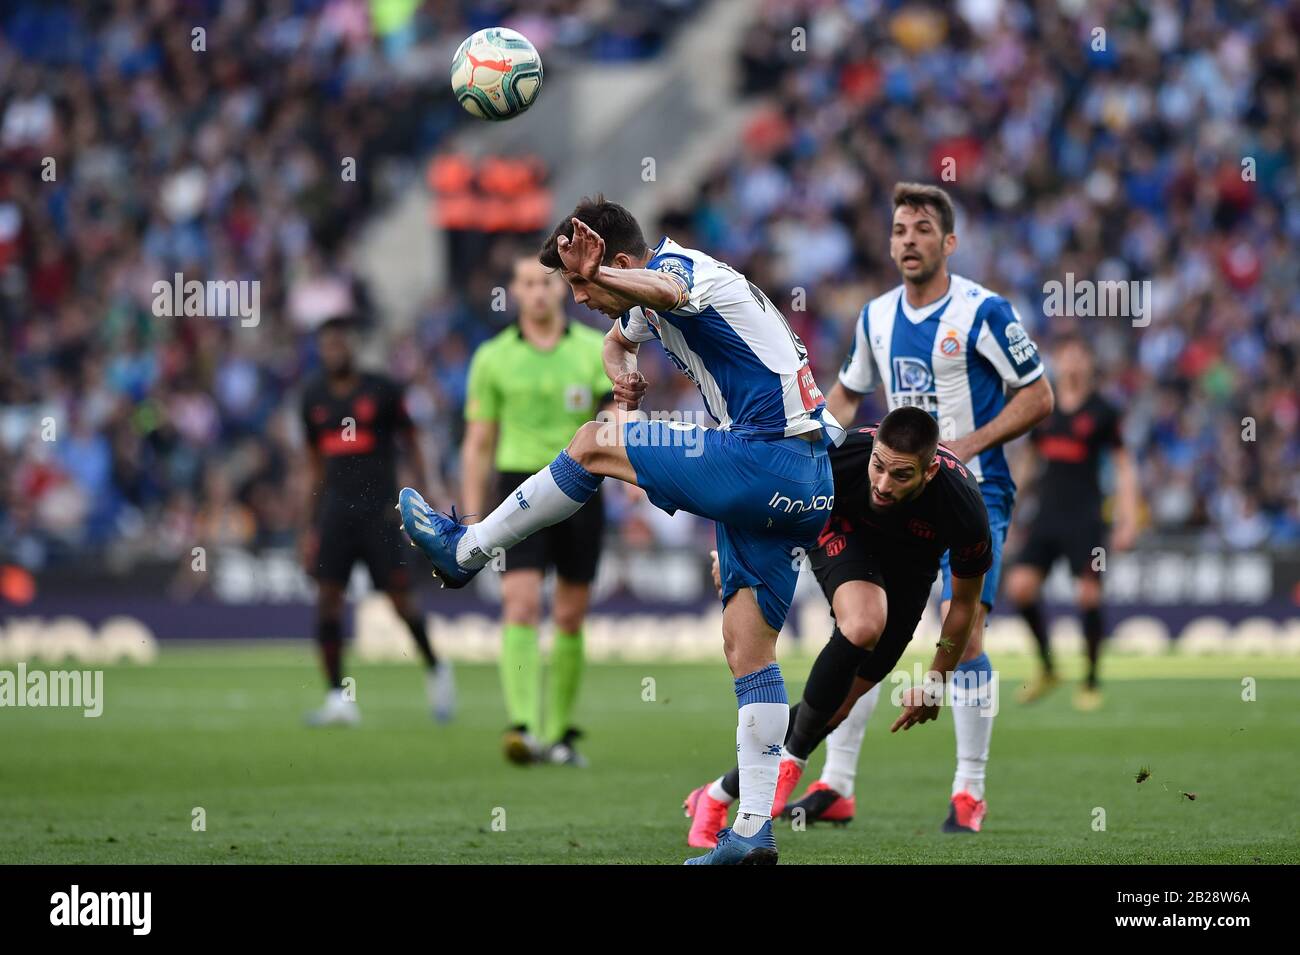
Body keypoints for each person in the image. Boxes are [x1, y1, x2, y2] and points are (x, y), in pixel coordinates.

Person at [398, 195, 836, 864]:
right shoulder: (642, 299)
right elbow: (623, 330)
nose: (577, 296)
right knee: (748, 649)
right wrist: (621, 365)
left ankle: (467, 547)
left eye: (582, 280)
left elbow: (664, 287)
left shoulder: (686, 269)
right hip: (803, 479)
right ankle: (752, 831)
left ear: (620, 261)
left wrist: (605, 282)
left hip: (768, 453)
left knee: (594, 441)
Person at [797, 182, 1054, 833]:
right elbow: (849, 396)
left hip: (976, 494)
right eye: (899, 229)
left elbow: (1040, 396)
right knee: (865, 626)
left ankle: (968, 790)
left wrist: (966, 445)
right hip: (896, 493)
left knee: (961, 632)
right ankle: (836, 784)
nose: (907, 240)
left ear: (948, 242)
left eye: (921, 229)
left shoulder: (984, 311)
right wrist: (807, 448)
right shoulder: (876, 316)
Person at [685, 408, 990, 848]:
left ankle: (713, 796)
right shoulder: (842, 454)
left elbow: (963, 606)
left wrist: (936, 680)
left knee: (834, 708)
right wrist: (728, 555)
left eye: (901, 476)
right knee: (864, 623)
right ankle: (789, 762)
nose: (883, 485)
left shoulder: (964, 509)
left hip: (909, 573)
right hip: (841, 530)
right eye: (879, 468)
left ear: (930, 471)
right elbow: (758, 487)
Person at [462, 254, 612, 765]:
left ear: (562, 288)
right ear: (515, 292)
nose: (540, 291)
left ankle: (558, 735)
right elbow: (479, 442)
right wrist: (472, 513)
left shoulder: (595, 350)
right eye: (528, 282)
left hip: (581, 488)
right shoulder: (492, 357)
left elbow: (616, 411)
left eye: (548, 281)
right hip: (517, 488)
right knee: (521, 605)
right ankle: (523, 727)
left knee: (570, 615)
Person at [299, 317, 454, 726]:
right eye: (327, 345)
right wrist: (308, 526)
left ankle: (436, 668)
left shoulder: (381, 390)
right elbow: (314, 465)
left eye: (340, 344)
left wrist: (426, 491)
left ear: (351, 346)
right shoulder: (312, 397)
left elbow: (413, 440)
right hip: (334, 512)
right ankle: (337, 698)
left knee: (400, 601)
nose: (334, 352)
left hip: (379, 513)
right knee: (328, 599)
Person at [1006, 335, 1139, 711]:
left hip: (1086, 517)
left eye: (1081, 355)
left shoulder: (1103, 411)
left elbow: (1124, 466)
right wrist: (1010, 508)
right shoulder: (1043, 408)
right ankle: (1048, 668)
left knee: (1088, 595)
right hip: (1047, 514)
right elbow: (1030, 463)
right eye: (1067, 356)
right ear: (1057, 361)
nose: (1074, 363)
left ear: (1089, 363)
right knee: (1020, 588)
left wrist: (1128, 518)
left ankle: (1092, 680)